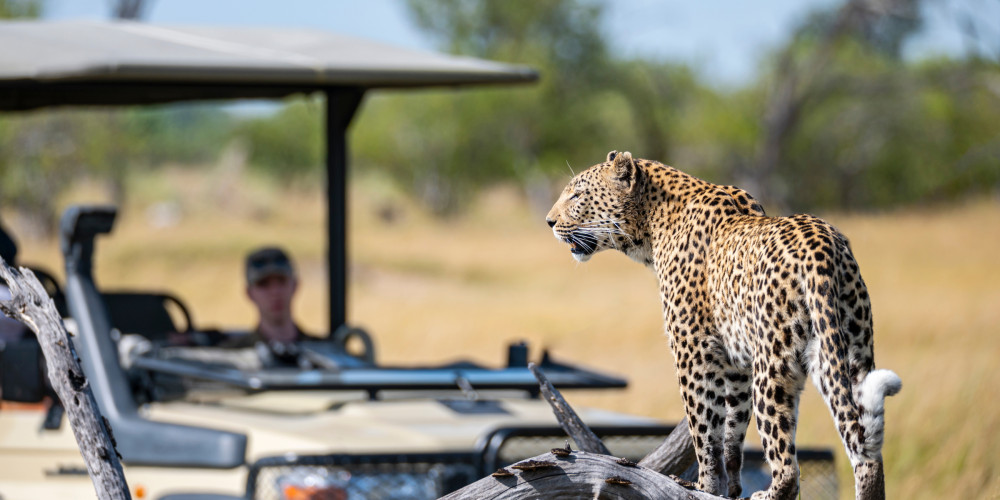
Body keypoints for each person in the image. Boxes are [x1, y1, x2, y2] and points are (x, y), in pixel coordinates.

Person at [228, 247, 309, 355]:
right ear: (249, 293)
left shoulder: (324, 352)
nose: (275, 292)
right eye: (264, 284)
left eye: (281, 281)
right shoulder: (234, 356)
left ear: (295, 285)